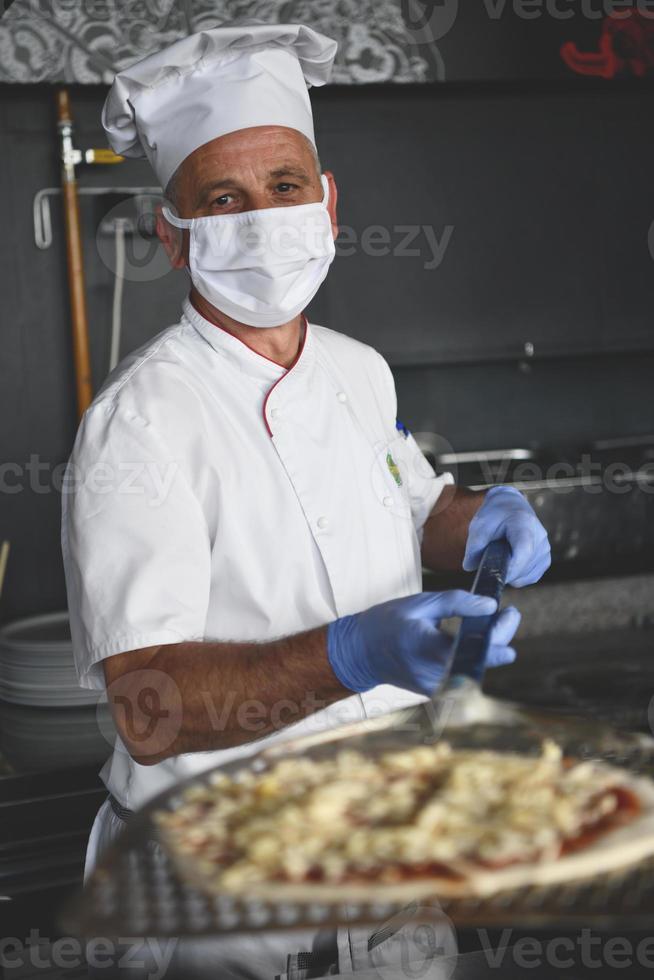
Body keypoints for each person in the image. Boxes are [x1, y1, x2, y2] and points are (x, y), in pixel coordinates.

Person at [61, 23, 550, 975]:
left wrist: (481, 516)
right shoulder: (140, 424)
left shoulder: (358, 371)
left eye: (284, 187)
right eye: (223, 199)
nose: (263, 218)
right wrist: (353, 653)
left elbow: (416, 505)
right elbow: (149, 709)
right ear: (173, 236)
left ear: (327, 204)